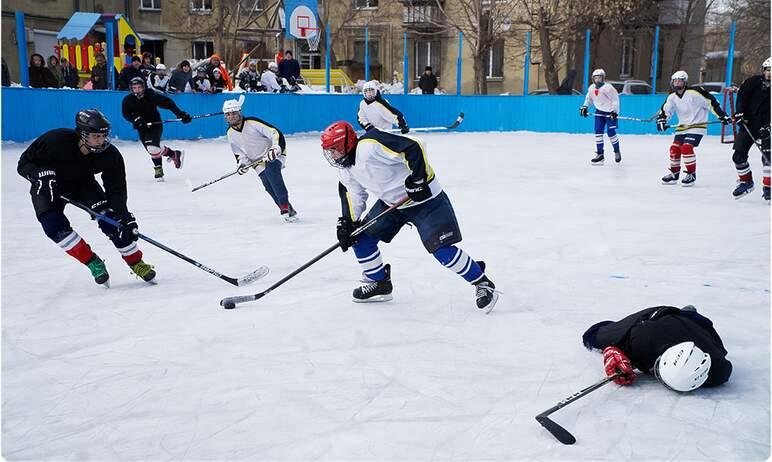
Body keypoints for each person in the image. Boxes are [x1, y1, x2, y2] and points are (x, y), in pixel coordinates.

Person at [319, 121, 498, 310]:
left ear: (346, 143)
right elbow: (354, 196)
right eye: (329, 151)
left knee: (441, 250)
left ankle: (482, 282)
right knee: (360, 239)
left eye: (335, 149)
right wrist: (348, 224)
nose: (332, 155)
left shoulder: (370, 146)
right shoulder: (345, 171)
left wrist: (419, 179)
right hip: (392, 204)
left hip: (426, 201)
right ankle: (380, 283)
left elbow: (414, 146)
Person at [17, 109, 157, 286]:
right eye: (95, 136)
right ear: (82, 134)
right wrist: (39, 174)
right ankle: (92, 262)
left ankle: (136, 262)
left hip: (83, 184)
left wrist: (124, 216)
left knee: (111, 221)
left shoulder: (110, 155)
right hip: (48, 185)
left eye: (103, 136)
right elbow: (23, 164)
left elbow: (116, 190)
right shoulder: (55, 140)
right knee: (53, 226)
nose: (101, 141)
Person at [582, 305, 732, 391]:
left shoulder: (718, 372)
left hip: (698, 327)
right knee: (595, 337)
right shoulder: (640, 339)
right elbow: (593, 335)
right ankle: (686, 312)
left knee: (693, 318)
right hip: (658, 318)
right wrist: (614, 351)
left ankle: (689, 313)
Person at [223, 97, 298, 222]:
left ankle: (283, 205)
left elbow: (275, 133)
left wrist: (276, 148)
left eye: (234, 113)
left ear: (240, 112)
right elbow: (239, 153)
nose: (232, 116)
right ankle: (289, 209)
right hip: (256, 162)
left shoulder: (252, 122)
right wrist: (242, 164)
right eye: (228, 114)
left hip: (273, 154)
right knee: (268, 185)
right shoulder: (230, 133)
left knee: (271, 169)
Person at [656, 70, 731, 186]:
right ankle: (674, 174)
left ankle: (691, 174)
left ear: (685, 82)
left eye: (679, 81)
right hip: (682, 128)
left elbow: (712, 102)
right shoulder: (672, 97)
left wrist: (721, 115)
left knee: (686, 148)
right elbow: (665, 111)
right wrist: (662, 120)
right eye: (675, 81)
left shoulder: (696, 92)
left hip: (697, 126)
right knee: (674, 148)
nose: (677, 83)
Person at [121, 76, 192, 181]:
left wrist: (180, 114)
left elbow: (168, 103)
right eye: (134, 88)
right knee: (153, 149)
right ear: (131, 89)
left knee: (152, 148)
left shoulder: (151, 95)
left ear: (143, 87)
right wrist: (137, 119)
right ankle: (174, 154)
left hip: (155, 124)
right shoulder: (128, 100)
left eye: (139, 87)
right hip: (141, 127)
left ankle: (158, 170)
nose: (137, 90)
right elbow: (126, 114)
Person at [730, 57, 770, 201]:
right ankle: (746, 181)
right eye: (767, 70)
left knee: (768, 158)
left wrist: (768, 125)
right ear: (763, 70)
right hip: (750, 123)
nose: (769, 73)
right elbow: (742, 98)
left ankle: (768, 187)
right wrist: (740, 113)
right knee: (738, 156)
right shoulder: (752, 82)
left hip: (768, 125)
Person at [580, 69, 621, 165]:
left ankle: (617, 151)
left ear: (603, 78)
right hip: (599, 112)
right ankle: (600, 154)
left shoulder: (608, 88)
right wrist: (585, 107)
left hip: (610, 112)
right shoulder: (591, 88)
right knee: (598, 132)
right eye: (595, 78)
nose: (597, 80)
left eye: (599, 78)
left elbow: (615, 101)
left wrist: (615, 112)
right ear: (593, 79)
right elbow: (588, 99)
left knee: (611, 132)